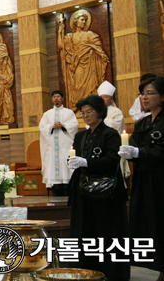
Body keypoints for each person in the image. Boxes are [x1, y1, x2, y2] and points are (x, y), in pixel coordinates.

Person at [68, 95, 129, 281]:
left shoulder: (109, 134)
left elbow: (112, 160)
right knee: (86, 232)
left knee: (106, 234)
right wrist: (72, 161)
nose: (85, 116)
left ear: (100, 112)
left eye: (90, 112)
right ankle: (87, 269)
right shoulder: (81, 135)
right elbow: (75, 157)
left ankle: (111, 273)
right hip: (84, 193)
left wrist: (86, 162)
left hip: (105, 195)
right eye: (83, 113)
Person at [119, 77, 164, 281]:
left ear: (162, 96)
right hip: (145, 181)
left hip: (161, 181)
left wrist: (140, 152)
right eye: (142, 94)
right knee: (148, 223)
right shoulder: (143, 122)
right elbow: (135, 144)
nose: (144, 98)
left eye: (150, 93)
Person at [58, 9, 109, 113]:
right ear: (76, 22)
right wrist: (60, 30)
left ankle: (92, 109)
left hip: (90, 65)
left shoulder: (90, 34)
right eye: (81, 20)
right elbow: (61, 46)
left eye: (85, 20)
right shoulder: (70, 36)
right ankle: (80, 109)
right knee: (77, 87)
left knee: (91, 87)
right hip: (77, 65)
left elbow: (97, 47)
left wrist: (100, 54)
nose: (84, 22)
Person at [39, 90, 79, 196]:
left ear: (62, 98)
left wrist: (64, 125)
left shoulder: (69, 112)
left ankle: (68, 186)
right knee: (53, 162)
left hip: (65, 144)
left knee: (65, 162)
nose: (56, 99)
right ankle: (56, 188)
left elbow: (74, 125)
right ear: (52, 99)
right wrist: (51, 126)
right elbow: (42, 127)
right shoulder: (47, 114)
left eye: (58, 96)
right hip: (52, 146)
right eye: (54, 97)